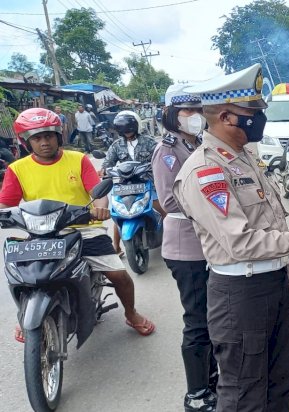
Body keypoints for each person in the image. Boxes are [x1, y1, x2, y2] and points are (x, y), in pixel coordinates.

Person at [173, 64, 289, 412]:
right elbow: (241, 243)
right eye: (254, 112)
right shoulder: (205, 170)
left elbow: (272, 225)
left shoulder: (244, 158)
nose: (261, 119)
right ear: (226, 117)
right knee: (245, 396)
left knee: (279, 384)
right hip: (241, 297)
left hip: (272, 285)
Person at [2, 108, 155, 343]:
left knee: (118, 274)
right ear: (27, 141)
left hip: (83, 228)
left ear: (58, 136)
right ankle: (25, 315)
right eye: (37, 138)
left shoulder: (78, 159)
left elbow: (97, 191)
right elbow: (6, 203)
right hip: (40, 233)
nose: (44, 142)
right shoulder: (17, 169)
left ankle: (131, 313)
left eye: (49, 136)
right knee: (21, 275)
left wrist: (100, 207)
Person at [152, 84, 217, 412]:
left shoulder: (198, 143)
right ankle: (196, 393)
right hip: (185, 249)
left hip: (209, 245)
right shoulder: (167, 149)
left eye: (197, 110)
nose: (194, 116)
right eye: (186, 111)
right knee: (197, 321)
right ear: (171, 115)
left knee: (214, 317)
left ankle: (213, 378)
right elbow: (167, 200)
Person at [101, 110, 164, 255]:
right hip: (124, 186)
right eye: (123, 130)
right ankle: (116, 247)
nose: (127, 133)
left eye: (129, 129)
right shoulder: (116, 145)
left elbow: (159, 158)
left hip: (147, 182)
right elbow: (107, 162)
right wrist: (104, 170)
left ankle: (172, 240)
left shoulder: (149, 142)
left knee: (163, 211)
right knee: (118, 214)